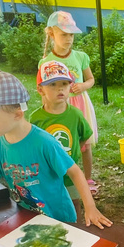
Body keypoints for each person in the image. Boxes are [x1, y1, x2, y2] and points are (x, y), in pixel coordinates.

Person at [0, 70, 111, 229]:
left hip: (59, 218)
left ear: (17, 114)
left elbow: (74, 171)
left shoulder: (44, 142)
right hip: (27, 219)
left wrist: (90, 208)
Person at [38, 11, 98, 193]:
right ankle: (62, 177)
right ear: (51, 34)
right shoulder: (46, 62)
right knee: (63, 142)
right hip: (59, 107)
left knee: (85, 143)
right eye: (64, 34)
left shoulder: (80, 57)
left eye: (71, 35)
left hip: (80, 104)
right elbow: (42, 89)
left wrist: (83, 86)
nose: (69, 39)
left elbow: (91, 79)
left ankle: (87, 179)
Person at [28, 60, 93, 216]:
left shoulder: (75, 114)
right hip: (46, 174)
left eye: (64, 84)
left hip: (70, 174)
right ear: (40, 90)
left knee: (74, 206)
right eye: (53, 84)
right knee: (49, 209)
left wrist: (75, 149)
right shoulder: (35, 118)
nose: (60, 89)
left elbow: (84, 137)